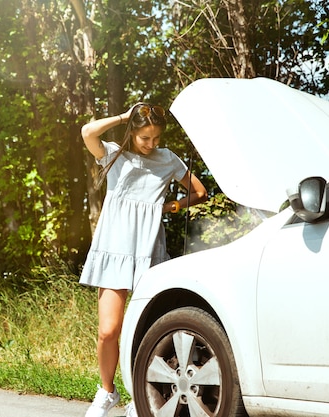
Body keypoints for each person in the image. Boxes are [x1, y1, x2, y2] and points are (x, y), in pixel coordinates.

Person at [80, 103, 208, 417]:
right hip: (113, 249)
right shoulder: (113, 154)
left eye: (155, 138)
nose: (151, 144)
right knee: (108, 330)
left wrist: (169, 208)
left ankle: (141, 397)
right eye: (144, 137)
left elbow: (199, 192)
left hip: (148, 253)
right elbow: (87, 131)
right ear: (132, 132)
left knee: (146, 330)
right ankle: (107, 392)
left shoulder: (168, 160)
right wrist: (125, 115)